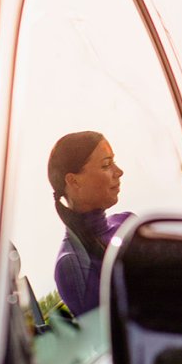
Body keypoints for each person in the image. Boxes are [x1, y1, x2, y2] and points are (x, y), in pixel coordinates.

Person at [47, 131, 131, 316]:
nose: (119, 172)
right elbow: (108, 338)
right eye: (106, 164)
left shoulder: (128, 222)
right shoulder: (71, 264)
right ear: (73, 181)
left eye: (114, 162)